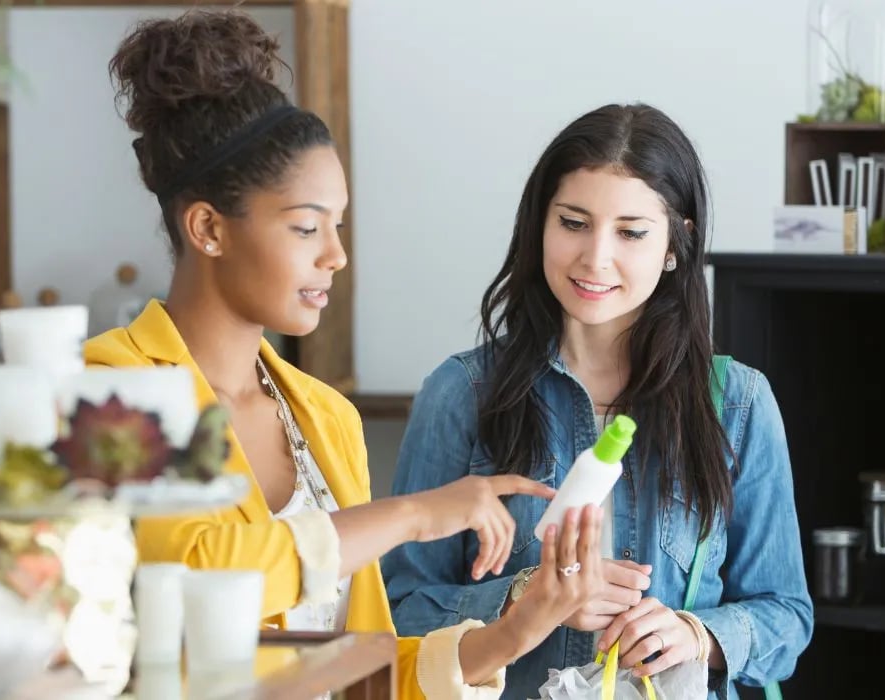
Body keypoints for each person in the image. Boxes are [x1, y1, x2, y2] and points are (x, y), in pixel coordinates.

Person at [83, 10, 615, 698]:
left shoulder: (323, 417)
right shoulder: (113, 385)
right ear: (209, 227)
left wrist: (518, 630)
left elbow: (361, 670)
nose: (335, 255)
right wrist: (414, 514)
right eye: (306, 227)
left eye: (336, 225)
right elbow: (195, 573)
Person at [381, 103, 814, 700]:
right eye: (573, 223)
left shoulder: (737, 404)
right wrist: (522, 599)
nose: (595, 257)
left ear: (675, 243)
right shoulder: (462, 394)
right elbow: (398, 613)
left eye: (631, 232)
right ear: (540, 224)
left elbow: (788, 616)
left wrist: (697, 634)